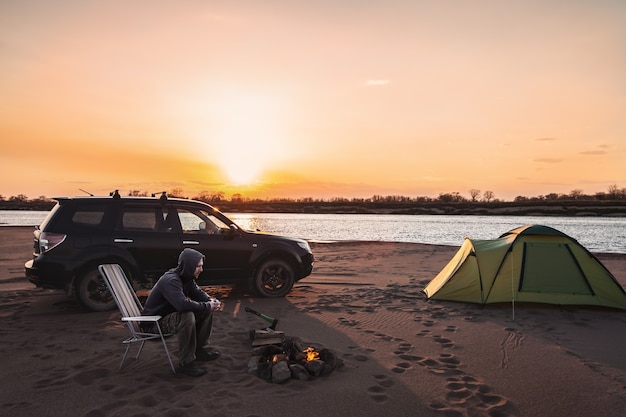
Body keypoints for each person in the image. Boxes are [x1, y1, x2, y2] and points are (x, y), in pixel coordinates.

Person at [142, 248, 223, 377]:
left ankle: (198, 350)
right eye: (198, 266)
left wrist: (211, 301)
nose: (201, 270)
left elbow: (199, 294)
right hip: (152, 325)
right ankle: (186, 363)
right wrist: (207, 305)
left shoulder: (187, 278)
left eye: (201, 266)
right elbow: (181, 305)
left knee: (206, 310)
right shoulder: (171, 280)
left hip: (166, 319)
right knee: (187, 315)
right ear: (189, 266)